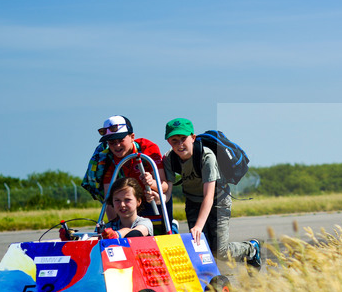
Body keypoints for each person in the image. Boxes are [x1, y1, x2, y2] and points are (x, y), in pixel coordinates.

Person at [159, 117, 261, 268]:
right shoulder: (169, 158)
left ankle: (251, 248)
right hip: (193, 202)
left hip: (218, 201)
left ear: (193, 137)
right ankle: (209, 280)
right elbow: (167, 192)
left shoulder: (206, 156)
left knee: (220, 251)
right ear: (168, 142)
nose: (180, 144)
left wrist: (199, 226)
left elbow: (209, 196)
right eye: (174, 140)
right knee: (201, 246)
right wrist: (156, 197)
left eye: (183, 138)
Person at [81, 115, 166, 224]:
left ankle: (169, 226)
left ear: (132, 137)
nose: (117, 146)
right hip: (128, 204)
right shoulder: (106, 159)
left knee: (161, 202)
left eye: (121, 140)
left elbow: (164, 186)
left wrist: (152, 183)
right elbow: (109, 200)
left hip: (152, 200)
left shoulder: (148, 149)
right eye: (111, 142)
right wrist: (113, 228)